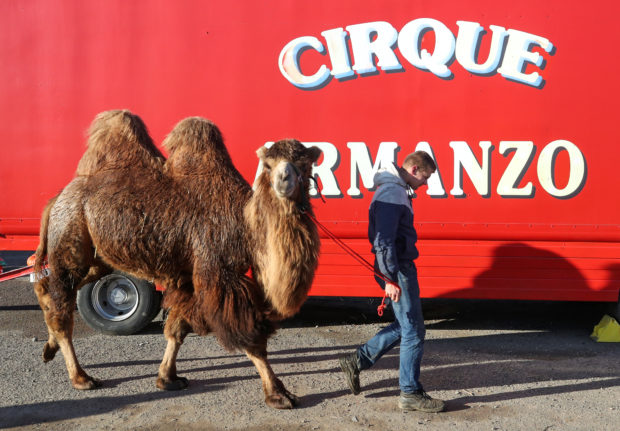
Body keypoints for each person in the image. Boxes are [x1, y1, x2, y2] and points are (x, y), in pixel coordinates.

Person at [339, 151, 445, 413]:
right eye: (426, 177)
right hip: (397, 269)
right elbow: (384, 241)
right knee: (413, 331)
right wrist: (389, 278)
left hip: (398, 266)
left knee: (407, 325)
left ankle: (358, 360)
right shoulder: (393, 193)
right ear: (415, 168)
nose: (425, 183)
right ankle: (409, 393)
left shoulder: (395, 189)